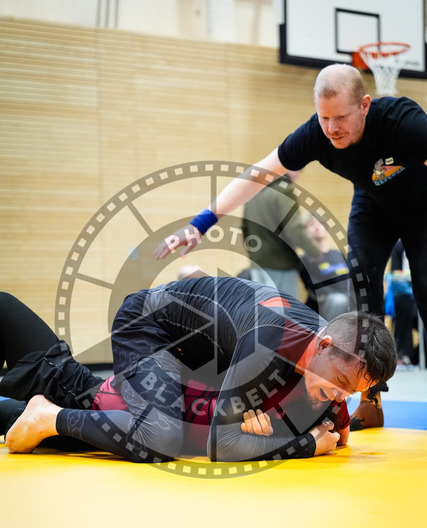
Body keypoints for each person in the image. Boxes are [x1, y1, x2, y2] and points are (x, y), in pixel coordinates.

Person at [154, 63, 427, 429]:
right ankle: (371, 400)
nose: (331, 128)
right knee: (362, 290)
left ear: (365, 105)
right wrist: (201, 222)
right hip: (373, 206)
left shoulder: (402, 121)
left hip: (422, 206)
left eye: (341, 117)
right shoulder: (315, 134)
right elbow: (259, 173)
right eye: (324, 117)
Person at [2, 278, 396, 463]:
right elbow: (221, 447)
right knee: (160, 436)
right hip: (149, 323)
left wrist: (304, 427)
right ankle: (51, 417)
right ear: (322, 345)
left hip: (172, 361)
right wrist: (304, 444)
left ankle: (49, 414)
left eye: (353, 391)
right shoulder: (270, 342)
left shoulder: (327, 368)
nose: (341, 396)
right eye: (340, 384)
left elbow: (340, 434)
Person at [241, 171, 321, 298]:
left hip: (257, 264)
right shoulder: (284, 190)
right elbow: (295, 229)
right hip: (281, 264)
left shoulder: (254, 192)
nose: (298, 176)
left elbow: (245, 228)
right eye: (299, 171)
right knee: (285, 309)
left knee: (263, 307)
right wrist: (316, 252)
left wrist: (254, 255)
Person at [300, 214, 350, 321]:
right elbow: (313, 288)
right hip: (325, 301)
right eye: (312, 224)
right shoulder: (305, 259)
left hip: (347, 296)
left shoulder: (338, 254)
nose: (317, 227)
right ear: (305, 232)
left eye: (320, 223)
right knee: (339, 300)